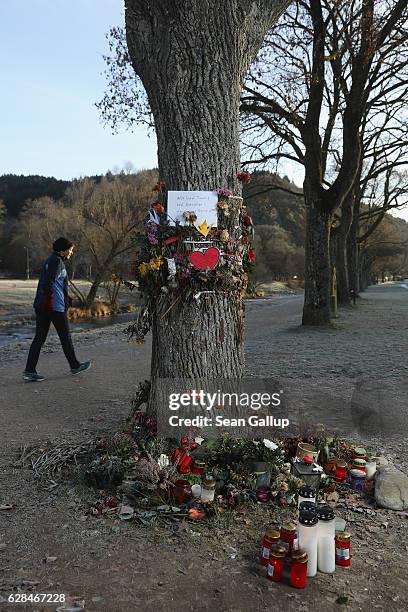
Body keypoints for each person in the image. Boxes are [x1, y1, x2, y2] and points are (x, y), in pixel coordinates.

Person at [23, 237, 91, 382]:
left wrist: (64, 297)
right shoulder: (57, 262)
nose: (71, 253)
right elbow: (49, 283)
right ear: (63, 250)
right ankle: (74, 366)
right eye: (70, 250)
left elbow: (53, 283)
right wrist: (53, 300)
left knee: (39, 338)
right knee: (65, 337)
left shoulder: (51, 260)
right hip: (54, 307)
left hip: (43, 305)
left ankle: (29, 371)